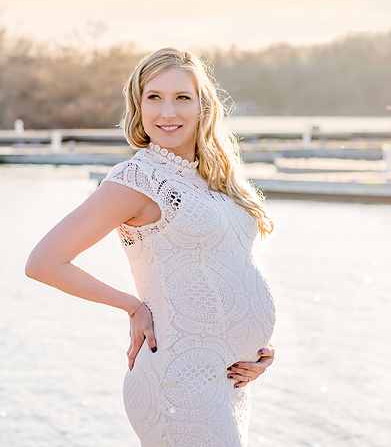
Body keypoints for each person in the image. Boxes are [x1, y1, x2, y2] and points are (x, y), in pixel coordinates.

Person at [25, 47, 276, 446]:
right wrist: (132, 305)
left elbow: (223, 269)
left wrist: (257, 347)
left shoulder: (215, 179)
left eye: (182, 98)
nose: (167, 113)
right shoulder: (137, 179)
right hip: (177, 380)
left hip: (226, 378)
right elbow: (44, 262)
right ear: (138, 106)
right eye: (153, 98)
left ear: (203, 106)